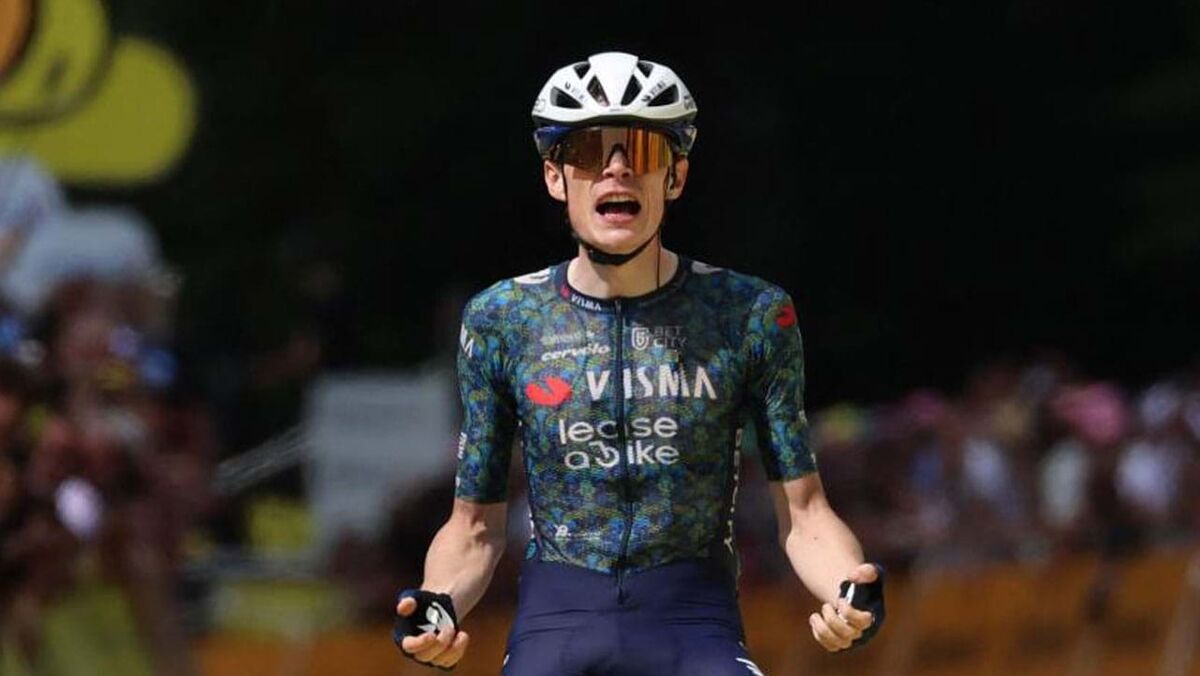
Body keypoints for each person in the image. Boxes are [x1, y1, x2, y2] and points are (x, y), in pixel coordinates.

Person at [393, 51, 885, 674]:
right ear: (554, 177)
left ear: (675, 177)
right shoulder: (502, 319)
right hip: (556, 626)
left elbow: (806, 513)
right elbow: (474, 529)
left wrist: (848, 590)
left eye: (644, 152)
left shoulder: (751, 313)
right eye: (589, 152)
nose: (617, 169)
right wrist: (437, 604)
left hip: (693, 626)